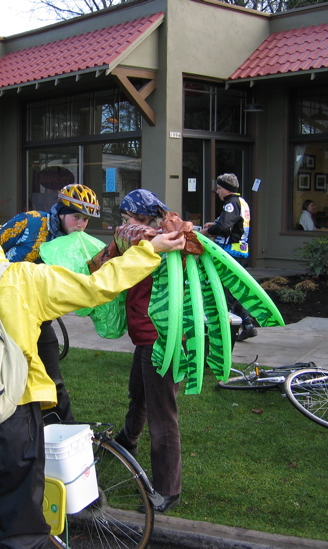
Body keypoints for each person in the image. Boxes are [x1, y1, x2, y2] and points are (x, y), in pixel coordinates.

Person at [0, 205, 185, 549]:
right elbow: (96, 287)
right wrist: (148, 251)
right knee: (24, 523)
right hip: (18, 414)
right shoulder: (27, 277)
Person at [0, 183, 100, 423]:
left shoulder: (76, 245)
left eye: (86, 220)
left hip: (39, 317)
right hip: (3, 314)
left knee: (52, 379)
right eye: (77, 217)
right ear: (61, 211)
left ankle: (66, 435)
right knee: (6, 379)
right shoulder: (31, 222)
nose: (81, 225)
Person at [113, 189, 183, 514]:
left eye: (127, 217)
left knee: (162, 413)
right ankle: (127, 439)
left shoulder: (159, 243)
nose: (123, 224)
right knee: (139, 393)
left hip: (161, 338)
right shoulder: (149, 238)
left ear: (141, 217)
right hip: (146, 335)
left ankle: (167, 489)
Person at [199, 173, 258, 341]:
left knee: (225, 292)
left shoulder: (231, 204)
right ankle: (247, 324)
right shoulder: (242, 202)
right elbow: (231, 225)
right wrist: (215, 224)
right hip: (241, 250)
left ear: (226, 189)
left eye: (218, 188)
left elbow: (224, 226)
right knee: (234, 289)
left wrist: (205, 232)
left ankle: (226, 332)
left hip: (230, 252)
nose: (217, 192)